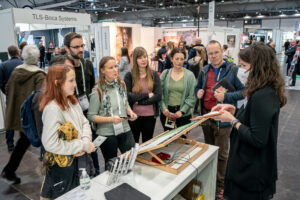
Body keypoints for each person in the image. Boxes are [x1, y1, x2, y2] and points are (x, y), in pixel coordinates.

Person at [211, 43, 287, 200]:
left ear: (258, 66)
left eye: (245, 66)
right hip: (247, 167)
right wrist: (234, 111)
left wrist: (232, 121)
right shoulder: (260, 88)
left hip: (252, 172)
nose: (244, 71)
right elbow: (254, 117)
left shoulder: (263, 94)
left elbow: (257, 139)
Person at [195, 40, 244, 199]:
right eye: (210, 53)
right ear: (207, 54)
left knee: (222, 154)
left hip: (223, 119)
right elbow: (198, 88)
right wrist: (199, 92)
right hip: (206, 117)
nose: (214, 56)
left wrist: (226, 96)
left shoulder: (232, 69)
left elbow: (244, 91)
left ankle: (220, 186)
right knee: (209, 151)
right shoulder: (204, 70)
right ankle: (210, 180)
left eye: (216, 52)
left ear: (222, 52)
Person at [39, 65, 95, 199]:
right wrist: (82, 145)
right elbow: (50, 144)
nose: (75, 84)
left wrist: (85, 142)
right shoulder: (52, 109)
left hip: (79, 162)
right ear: (57, 83)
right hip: (64, 168)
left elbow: (84, 122)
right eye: (71, 81)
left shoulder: (71, 101)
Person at [1, 45, 46, 184]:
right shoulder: (39, 75)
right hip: (31, 117)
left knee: (23, 142)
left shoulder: (16, 72)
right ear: (37, 58)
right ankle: (9, 170)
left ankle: (9, 170)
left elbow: (7, 88)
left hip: (17, 114)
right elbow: (40, 99)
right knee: (37, 142)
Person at [87, 56, 137, 167]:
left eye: (115, 66)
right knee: (111, 164)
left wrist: (130, 112)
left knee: (132, 158)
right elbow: (91, 116)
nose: (115, 70)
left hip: (124, 128)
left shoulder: (121, 85)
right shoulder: (97, 90)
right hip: (107, 133)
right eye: (110, 68)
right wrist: (111, 119)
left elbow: (125, 103)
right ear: (102, 70)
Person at [64, 32, 99, 174]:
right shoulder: (64, 68)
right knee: (78, 151)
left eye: (82, 45)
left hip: (88, 113)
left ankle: (95, 173)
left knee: (92, 146)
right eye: (76, 47)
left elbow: (90, 89)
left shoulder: (88, 64)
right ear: (67, 49)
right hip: (71, 115)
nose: (81, 49)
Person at [124, 47, 162, 143]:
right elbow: (127, 96)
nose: (143, 60)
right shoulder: (129, 75)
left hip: (150, 115)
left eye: (145, 57)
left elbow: (158, 95)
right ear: (135, 59)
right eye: (140, 57)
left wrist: (138, 101)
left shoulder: (154, 74)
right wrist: (146, 95)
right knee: (134, 143)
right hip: (134, 116)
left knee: (147, 142)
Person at [160, 48, 196, 131]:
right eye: (176, 59)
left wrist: (182, 111)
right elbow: (159, 93)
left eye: (182, 59)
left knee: (183, 139)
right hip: (168, 112)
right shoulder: (165, 74)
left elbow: (192, 96)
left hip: (183, 113)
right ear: (171, 59)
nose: (179, 62)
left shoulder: (190, 76)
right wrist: (163, 108)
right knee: (168, 137)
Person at [0, 45, 23, 152]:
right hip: (24, 96)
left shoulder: (3, 65)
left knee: (10, 120)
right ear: (18, 52)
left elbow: (0, 83)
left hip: (10, 96)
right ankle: (25, 141)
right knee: (24, 118)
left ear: (9, 53)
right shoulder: (23, 64)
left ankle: (10, 144)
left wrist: (7, 93)